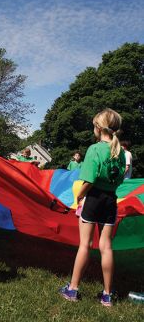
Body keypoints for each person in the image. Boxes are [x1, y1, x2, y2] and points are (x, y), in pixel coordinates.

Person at [59, 109, 126, 307]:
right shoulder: (120, 151)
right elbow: (120, 178)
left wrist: (79, 196)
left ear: (98, 128)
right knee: (106, 247)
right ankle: (107, 295)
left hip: (94, 198)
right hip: (110, 200)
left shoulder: (95, 149)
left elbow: (89, 179)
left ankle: (72, 290)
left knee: (85, 245)